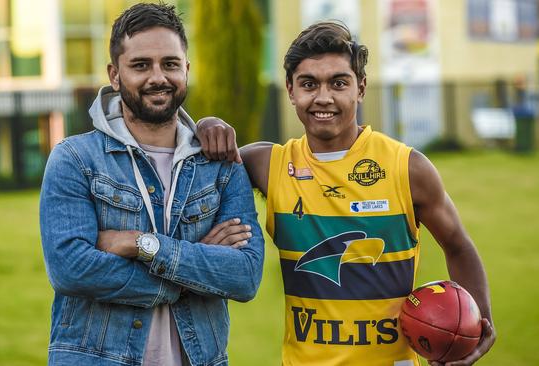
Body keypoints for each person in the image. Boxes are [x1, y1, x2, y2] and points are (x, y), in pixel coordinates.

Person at [197, 21, 496, 365]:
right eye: (309, 84)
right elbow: (193, 182)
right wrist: (207, 124)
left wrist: (478, 322)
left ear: (361, 88)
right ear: (291, 90)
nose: (323, 97)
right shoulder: (266, 165)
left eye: (339, 83)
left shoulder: (408, 167)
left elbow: (457, 244)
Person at [39, 3, 264, 366]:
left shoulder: (222, 164)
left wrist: (140, 244)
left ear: (186, 69)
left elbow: (245, 276)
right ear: (115, 75)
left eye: (170, 64)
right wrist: (194, 269)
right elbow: (71, 269)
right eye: (141, 65)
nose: (158, 77)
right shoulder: (75, 159)